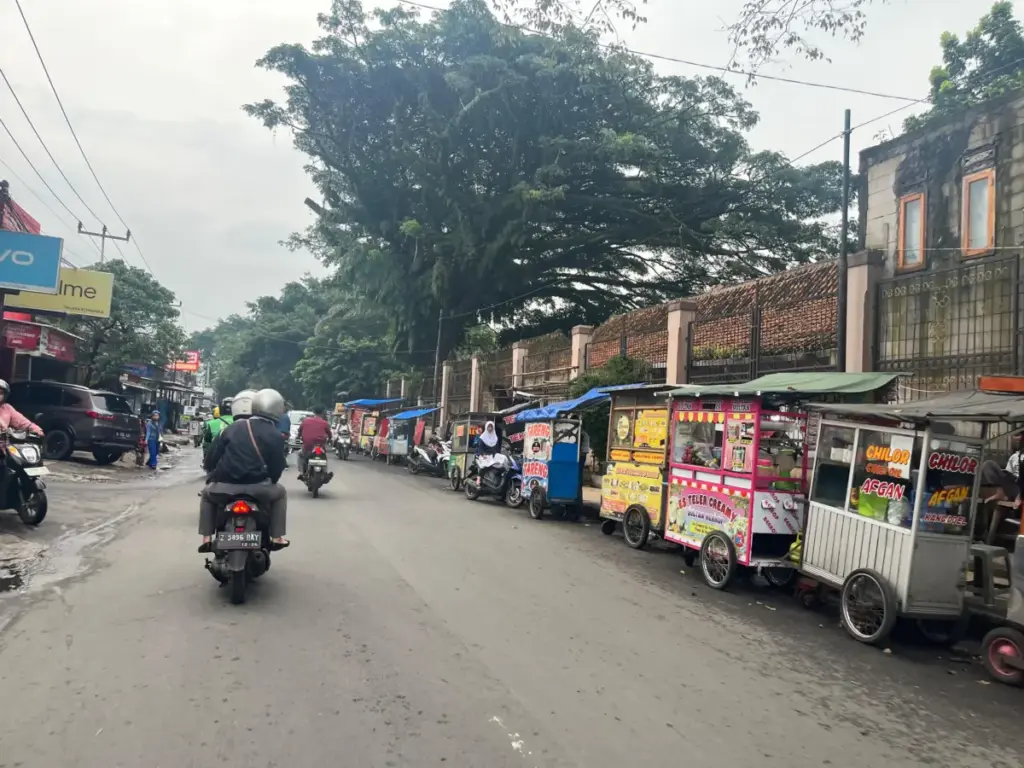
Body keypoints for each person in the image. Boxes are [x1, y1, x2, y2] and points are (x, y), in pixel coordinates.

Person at [198, 388, 289, 552]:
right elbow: (277, 467)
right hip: (259, 489)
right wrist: (271, 481)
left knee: (206, 494)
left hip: (223, 488)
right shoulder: (276, 435)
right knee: (280, 493)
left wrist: (212, 476)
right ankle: (277, 537)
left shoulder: (229, 429)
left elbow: (210, 460)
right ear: (277, 411)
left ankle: (206, 538)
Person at [0, 379, 43, 446]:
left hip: (4, 447)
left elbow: (21, 421)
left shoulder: (6, 408)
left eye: (1, 393)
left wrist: (35, 429)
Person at [297, 405, 331, 479]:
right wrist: (330, 439)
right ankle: (325, 472)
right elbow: (329, 434)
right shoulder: (325, 423)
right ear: (323, 412)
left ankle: (302, 473)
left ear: (313, 412)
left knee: (300, 455)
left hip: (308, 447)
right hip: (318, 447)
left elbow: (299, 431)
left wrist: (298, 436)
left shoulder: (305, 421)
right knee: (323, 458)